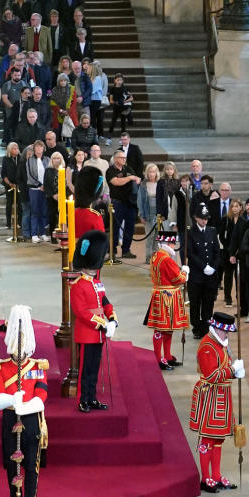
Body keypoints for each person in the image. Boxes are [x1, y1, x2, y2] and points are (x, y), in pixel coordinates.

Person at [0, 305, 47, 497]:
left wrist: (24, 406)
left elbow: (42, 395)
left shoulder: (38, 366)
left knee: (31, 468)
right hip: (9, 420)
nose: (20, 350)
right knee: (11, 464)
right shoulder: (1, 367)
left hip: (31, 420)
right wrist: (11, 400)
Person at [189, 312, 244, 493]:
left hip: (222, 396)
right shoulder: (207, 347)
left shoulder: (221, 345)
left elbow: (224, 369)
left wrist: (235, 373)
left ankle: (217, 475)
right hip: (211, 396)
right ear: (218, 329)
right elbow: (212, 376)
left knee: (218, 438)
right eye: (225, 332)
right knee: (207, 438)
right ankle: (205, 477)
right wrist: (232, 370)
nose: (227, 335)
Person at [70, 231, 117, 412]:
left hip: (98, 335)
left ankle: (92, 398)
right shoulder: (78, 285)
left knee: (95, 370)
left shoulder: (97, 283)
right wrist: (102, 323)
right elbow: (81, 312)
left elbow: (104, 301)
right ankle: (83, 399)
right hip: (88, 333)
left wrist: (112, 317)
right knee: (85, 370)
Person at [145, 230, 189, 370]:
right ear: (169, 242)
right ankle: (160, 359)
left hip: (159, 294)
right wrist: (185, 272)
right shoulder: (167, 259)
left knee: (165, 329)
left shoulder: (155, 256)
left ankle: (167, 356)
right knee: (162, 329)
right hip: (167, 297)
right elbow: (179, 279)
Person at [187, 204, 219, 340]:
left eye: (206, 218)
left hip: (210, 276)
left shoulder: (212, 231)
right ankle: (196, 326)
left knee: (208, 302)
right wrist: (202, 267)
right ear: (196, 218)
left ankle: (205, 326)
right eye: (202, 218)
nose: (204, 221)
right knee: (195, 302)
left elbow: (217, 251)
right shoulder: (190, 232)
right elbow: (190, 253)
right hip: (196, 275)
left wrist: (213, 267)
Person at [106, 149, 140, 258]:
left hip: (130, 203)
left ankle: (126, 250)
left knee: (130, 227)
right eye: (121, 157)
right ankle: (112, 249)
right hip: (117, 203)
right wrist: (130, 178)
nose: (124, 159)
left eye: (125, 158)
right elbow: (116, 182)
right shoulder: (110, 170)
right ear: (115, 159)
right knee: (115, 227)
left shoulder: (129, 169)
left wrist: (135, 179)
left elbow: (138, 179)